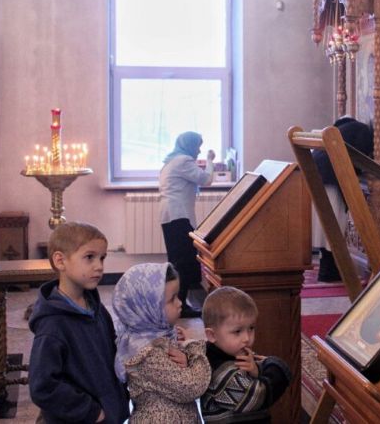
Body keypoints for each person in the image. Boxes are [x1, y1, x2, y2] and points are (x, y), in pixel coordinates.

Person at [28, 222, 129, 424]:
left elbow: (112, 352)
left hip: (108, 413)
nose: (99, 266)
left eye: (102, 258)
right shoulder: (52, 325)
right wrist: (90, 411)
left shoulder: (97, 309)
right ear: (60, 261)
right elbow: (43, 386)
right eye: (89, 257)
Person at [113, 262, 211, 423]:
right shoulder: (147, 353)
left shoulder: (158, 335)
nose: (180, 303)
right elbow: (191, 386)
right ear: (148, 307)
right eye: (172, 299)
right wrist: (193, 349)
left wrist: (182, 351)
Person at [201, 286, 291, 423]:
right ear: (212, 335)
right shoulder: (220, 373)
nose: (247, 338)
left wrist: (256, 371)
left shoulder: (236, 353)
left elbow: (259, 368)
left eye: (251, 328)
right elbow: (258, 397)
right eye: (237, 331)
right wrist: (278, 367)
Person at [160, 131, 215, 317]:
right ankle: (181, 305)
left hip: (171, 215)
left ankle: (176, 302)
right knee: (183, 263)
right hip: (179, 215)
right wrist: (210, 160)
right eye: (197, 146)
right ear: (190, 145)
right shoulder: (183, 161)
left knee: (178, 262)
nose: (199, 151)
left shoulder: (171, 160)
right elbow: (206, 179)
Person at [311, 117, 373, 282]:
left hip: (315, 172)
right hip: (331, 176)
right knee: (335, 223)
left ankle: (327, 269)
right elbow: (359, 160)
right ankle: (329, 271)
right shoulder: (364, 132)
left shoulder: (344, 128)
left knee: (325, 224)